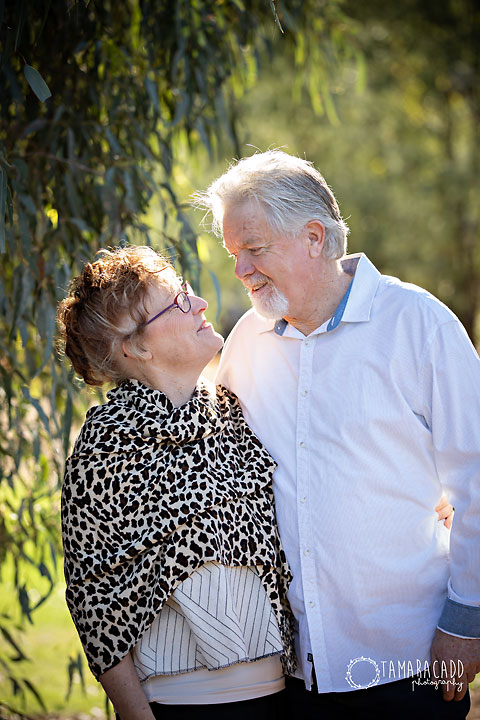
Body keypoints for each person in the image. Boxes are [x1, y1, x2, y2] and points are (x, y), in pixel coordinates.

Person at [196, 150, 480, 719]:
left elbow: (475, 480)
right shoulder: (247, 341)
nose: (241, 269)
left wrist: (466, 624)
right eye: (233, 254)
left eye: (254, 249)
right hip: (289, 673)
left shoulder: (418, 324)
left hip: (412, 664)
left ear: (313, 237)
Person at [57, 245, 296, 720]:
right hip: (180, 704)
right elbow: (91, 599)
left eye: (187, 291)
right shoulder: (106, 447)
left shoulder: (234, 414)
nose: (201, 303)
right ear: (138, 347)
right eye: (178, 302)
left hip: (281, 695)